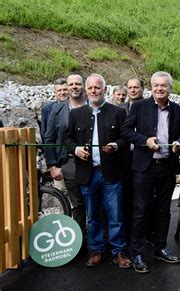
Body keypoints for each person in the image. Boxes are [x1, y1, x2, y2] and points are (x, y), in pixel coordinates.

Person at [121, 71, 180, 274]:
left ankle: (160, 248)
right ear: (151, 87)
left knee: (164, 210)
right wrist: (145, 141)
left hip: (167, 167)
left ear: (170, 88)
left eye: (163, 85)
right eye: (156, 85)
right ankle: (138, 253)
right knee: (141, 211)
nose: (160, 88)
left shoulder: (177, 110)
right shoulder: (139, 107)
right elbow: (126, 130)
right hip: (144, 167)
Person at [64, 73, 131, 269]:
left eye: (97, 87)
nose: (94, 91)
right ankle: (96, 251)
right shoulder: (76, 114)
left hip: (111, 173)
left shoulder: (117, 113)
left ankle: (118, 251)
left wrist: (115, 146)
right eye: (91, 88)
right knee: (92, 215)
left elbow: (126, 139)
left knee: (116, 215)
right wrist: (76, 149)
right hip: (87, 173)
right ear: (86, 90)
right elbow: (67, 140)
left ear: (105, 89)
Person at [44, 74, 87, 233]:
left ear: (84, 86)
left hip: (93, 164)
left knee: (97, 205)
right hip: (67, 163)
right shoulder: (57, 109)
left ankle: (98, 246)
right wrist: (52, 165)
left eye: (78, 83)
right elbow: (48, 138)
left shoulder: (93, 106)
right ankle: (79, 241)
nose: (74, 87)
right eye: (71, 84)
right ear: (68, 87)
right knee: (76, 205)